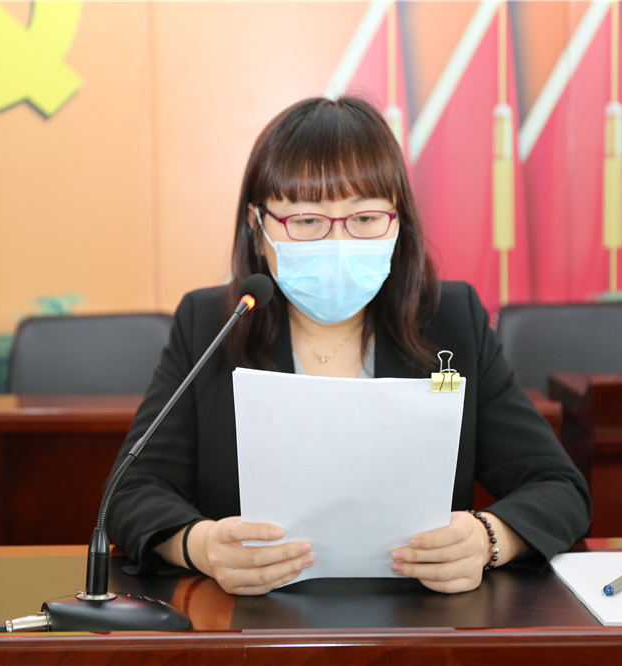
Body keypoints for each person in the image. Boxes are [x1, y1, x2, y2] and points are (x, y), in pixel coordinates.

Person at [106, 96, 591, 596]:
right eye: (307, 221)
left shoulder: (452, 321)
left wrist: (490, 538)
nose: (338, 243)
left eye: (364, 218)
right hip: (253, 616)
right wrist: (201, 546)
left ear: (397, 220)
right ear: (257, 225)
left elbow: (560, 488)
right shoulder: (211, 324)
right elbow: (131, 492)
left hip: (423, 614)